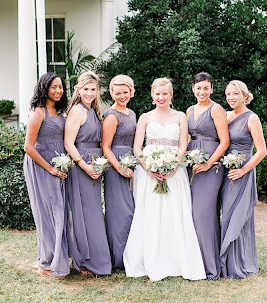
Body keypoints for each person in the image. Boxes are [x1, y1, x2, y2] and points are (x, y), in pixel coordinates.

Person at [123, 78, 205, 281]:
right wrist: (149, 169)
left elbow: (183, 145)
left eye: (165, 94)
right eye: (157, 94)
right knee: (148, 212)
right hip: (148, 172)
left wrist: (174, 166)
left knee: (174, 212)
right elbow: (137, 148)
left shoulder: (180, 116)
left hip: (174, 172)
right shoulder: (144, 117)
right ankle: (149, 258)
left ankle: (175, 260)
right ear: (152, 96)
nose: (161, 97)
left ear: (171, 95)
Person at [23, 72, 70, 278]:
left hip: (58, 165)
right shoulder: (39, 112)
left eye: (60, 87)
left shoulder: (58, 111)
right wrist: (50, 168)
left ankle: (57, 257)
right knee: (48, 213)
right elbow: (28, 147)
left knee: (59, 211)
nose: (58, 90)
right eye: (54, 87)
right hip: (42, 166)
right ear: (45, 89)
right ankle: (46, 262)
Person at [64, 71, 111, 276]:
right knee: (85, 213)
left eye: (93, 89)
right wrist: (85, 166)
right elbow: (68, 143)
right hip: (82, 166)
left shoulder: (94, 110)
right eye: (86, 89)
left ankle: (95, 259)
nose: (90, 93)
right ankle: (85, 261)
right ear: (78, 89)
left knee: (93, 213)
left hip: (94, 166)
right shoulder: (77, 111)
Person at [219, 80, 267, 278]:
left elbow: (262, 151)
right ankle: (226, 260)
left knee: (236, 215)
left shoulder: (252, 118)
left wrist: (243, 170)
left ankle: (237, 263)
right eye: (229, 94)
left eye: (235, 94)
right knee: (226, 215)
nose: (231, 97)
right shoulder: (224, 115)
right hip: (225, 171)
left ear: (244, 96)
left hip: (242, 172)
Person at [185, 72, 230, 279]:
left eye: (206, 88)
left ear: (212, 88)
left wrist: (208, 163)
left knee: (203, 212)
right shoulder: (189, 110)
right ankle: (195, 262)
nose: (201, 91)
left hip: (211, 166)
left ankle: (210, 266)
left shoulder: (217, 109)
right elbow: (186, 137)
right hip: (191, 165)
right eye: (198, 88)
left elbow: (224, 141)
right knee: (192, 213)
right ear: (193, 89)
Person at [102, 75, 137, 270]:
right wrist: (119, 167)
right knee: (119, 212)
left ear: (131, 92)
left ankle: (130, 254)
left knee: (131, 210)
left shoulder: (131, 113)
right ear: (112, 93)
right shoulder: (111, 115)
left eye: (125, 92)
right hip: (116, 164)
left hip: (131, 162)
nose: (121, 96)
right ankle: (118, 258)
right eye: (117, 93)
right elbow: (105, 147)